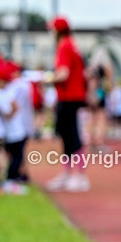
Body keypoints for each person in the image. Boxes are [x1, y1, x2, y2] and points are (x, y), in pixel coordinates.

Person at [47, 16, 90, 192]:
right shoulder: (72, 44)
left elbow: (63, 73)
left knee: (73, 136)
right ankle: (68, 173)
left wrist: (46, 79)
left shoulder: (64, 45)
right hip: (72, 96)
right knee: (67, 136)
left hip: (69, 97)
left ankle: (78, 175)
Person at [0, 60, 31, 193]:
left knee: (14, 157)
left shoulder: (9, 90)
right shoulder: (8, 90)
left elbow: (13, 107)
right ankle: (10, 179)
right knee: (15, 157)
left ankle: (12, 178)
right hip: (12, 131)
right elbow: (12, 108)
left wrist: (8, 112)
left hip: (11, 130)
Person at [86, 50, 112, 152]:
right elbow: (94, 82)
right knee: (101, 118)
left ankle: (92, 142)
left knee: (92, 118)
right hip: (98, 95)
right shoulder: (99, 69)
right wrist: (93, 96)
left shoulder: (91, 68)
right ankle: (99, 143)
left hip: (93, 95)